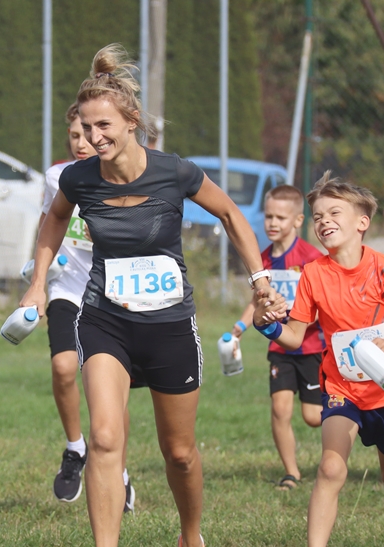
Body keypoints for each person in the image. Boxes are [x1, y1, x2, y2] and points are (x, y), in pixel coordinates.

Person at [20, 44, 281, 547]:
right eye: (86, 128)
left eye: (104, 127)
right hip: (104, 320)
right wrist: (38, 282)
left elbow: (230, 215)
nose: (94, 138)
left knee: (179, 451)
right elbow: (53, 220)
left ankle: (190, 535)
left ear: (132, 121)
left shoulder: (173, 171)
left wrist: (260, 280)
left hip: (168, 325)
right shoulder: (78, 179)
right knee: (104, 439)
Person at [253, 171, 384, 547]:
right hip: (342, 388)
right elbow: (296, 336)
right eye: (317, 216)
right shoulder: (313, 274)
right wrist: (265, 325)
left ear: (362, 222)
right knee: (331, 468)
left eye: (334, 213)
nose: (324, 221)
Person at [39, 103, 135, 511]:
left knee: (112, 394)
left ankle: (120, 472)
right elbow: (49, 223)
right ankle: (75, 447)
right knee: (63, 366)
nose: (82, 143)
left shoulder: (122, 173)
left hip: (114, 294)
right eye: (74, 136)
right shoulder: (57, 177)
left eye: (88, 134)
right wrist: (36, 282)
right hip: (68, 288)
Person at [231, 185, 324, 491]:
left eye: (280, 217)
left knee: (313, 417)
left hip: (311, 348)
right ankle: (291, 473)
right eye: (269, 216)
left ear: (298, 221)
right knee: (280, 409)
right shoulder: (263, 262)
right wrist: (241, 328)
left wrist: (302, 318)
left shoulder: (311, 259)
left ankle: (351, 431)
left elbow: (324, 306)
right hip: (279, 349)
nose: (272, 223)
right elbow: (256, 302)